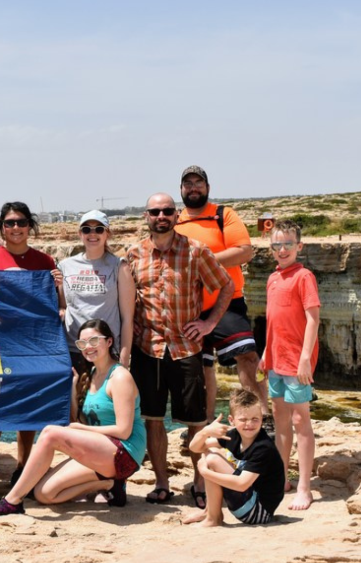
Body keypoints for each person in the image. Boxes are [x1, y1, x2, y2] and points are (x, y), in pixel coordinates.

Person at [126, 193, 233, 508]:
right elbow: (124, 295)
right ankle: (162, 483)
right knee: (153, 419)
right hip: (148, 349)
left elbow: (225, 285)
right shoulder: (133, 255)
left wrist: (209, 323)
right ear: (146, 216)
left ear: (176, 216)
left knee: (196, 421)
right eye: (155, 211)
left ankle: (200, 483)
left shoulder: (196, 251)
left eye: (168, 211)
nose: (161, 215)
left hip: (186, 349)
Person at [0, 319, 146, 516]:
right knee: (45, 494)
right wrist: (74, 390)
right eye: (82, 344)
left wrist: (80, 429)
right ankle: (110, 484)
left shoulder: (119, 377)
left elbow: (123, 431)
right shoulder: (90, 374)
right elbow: (82, 423)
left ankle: (11, 501)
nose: (87, 347)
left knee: (49, 433)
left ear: (108, 342)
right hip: (102, 451)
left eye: (94, 341)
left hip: (125, 453)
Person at [0, 201, 60, 503]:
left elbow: (57, 307)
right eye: (9, 223)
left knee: (29, 412)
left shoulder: (44, 261)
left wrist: (59, 288)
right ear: (1, 228)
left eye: (21, 222)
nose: (16, 228)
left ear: (30, 226)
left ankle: (23, 469)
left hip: (34, 347)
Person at [174, 165, 268, 428]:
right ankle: (204, 423)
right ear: (181, 190)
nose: (193, 188)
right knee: (201, 368)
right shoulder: (174, 220)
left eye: (198, 183)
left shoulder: (222, 215)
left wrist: (204, 262)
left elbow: (244, 251)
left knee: (247, 356)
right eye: (188, 184)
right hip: (189, 307)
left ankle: (262, 417)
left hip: (227, 301)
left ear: (207, 187)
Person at [259, 219, 320, 511]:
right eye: (277, 245)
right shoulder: (273, 279)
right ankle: (282, 478)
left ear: (299, 246)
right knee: (280, 420)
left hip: (298, 362)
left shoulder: (304, 276)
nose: (282, 250)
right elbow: (274, 322)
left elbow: (313, 319)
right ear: (271, 247)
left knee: (300, 421)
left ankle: (305, 487)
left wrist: (306, 358)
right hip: (275, 361)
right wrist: (266, 353)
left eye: (288, 244)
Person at [181, 390, 284, 526]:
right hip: (248, 499)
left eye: (255, 419)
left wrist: (206, 473)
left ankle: (214, 518)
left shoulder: (263, 447)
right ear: (231, 420)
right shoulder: (234, 435)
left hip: (258, 511)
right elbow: (196, 448)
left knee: (211, 459)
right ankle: (210, 511)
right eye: (243, 419)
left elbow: (242, 484)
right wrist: (205, 432)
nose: (249, 424)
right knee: (210, 451)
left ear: (262, 418)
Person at [58, 210, 135, 378]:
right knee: (75, 403)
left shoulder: (118, 266)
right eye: (87, 229)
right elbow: (63, 306)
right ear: (80, 234)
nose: (92, 234)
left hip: (106, 350)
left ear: (107, 233)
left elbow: (128, 318)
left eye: (98, 229)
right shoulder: (65, 266)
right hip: (74, 351)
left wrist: (123, 361)